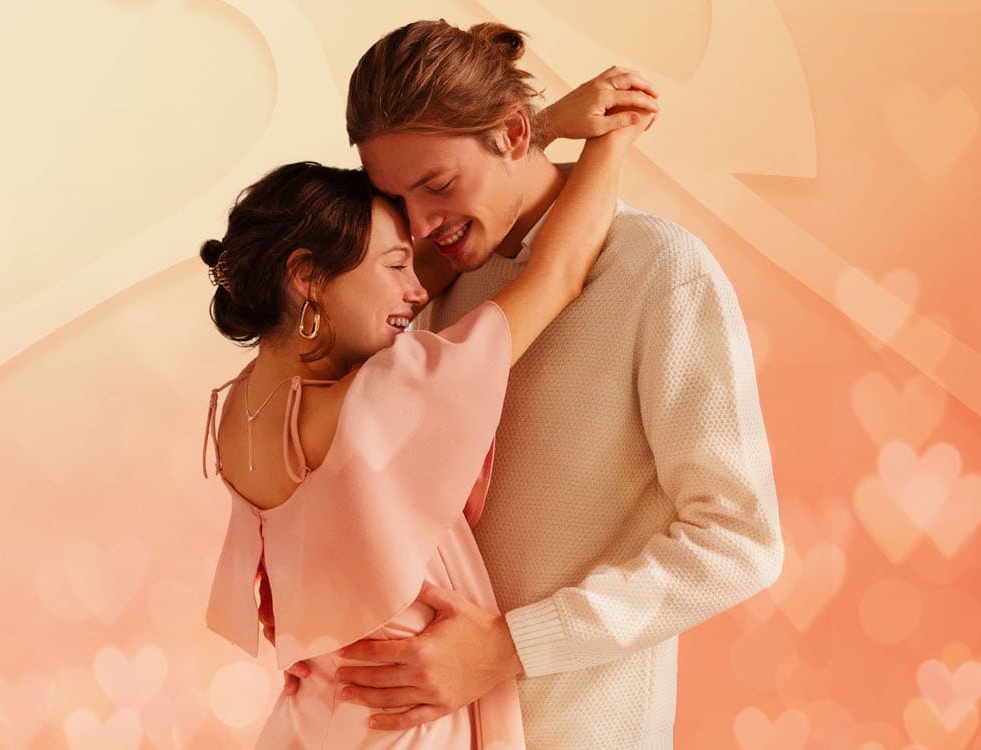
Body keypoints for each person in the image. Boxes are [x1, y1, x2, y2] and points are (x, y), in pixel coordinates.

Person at [269, 19, 785, 748]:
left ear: (510, 134)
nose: (419, 225)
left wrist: (512, 645)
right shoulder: (430, 286)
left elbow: (739, 540)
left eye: (438, 185)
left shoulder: (661, 272)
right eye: (398, 200)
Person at [200, 49, 652, 746]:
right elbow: (558, 272)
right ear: (307, 279)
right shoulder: (376, 401)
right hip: (406, 715)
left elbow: (405, 263)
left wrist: (534, 129)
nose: (418, 289)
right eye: (396, 264)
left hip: (317, 715)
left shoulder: (234, 413)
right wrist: (613, 133)